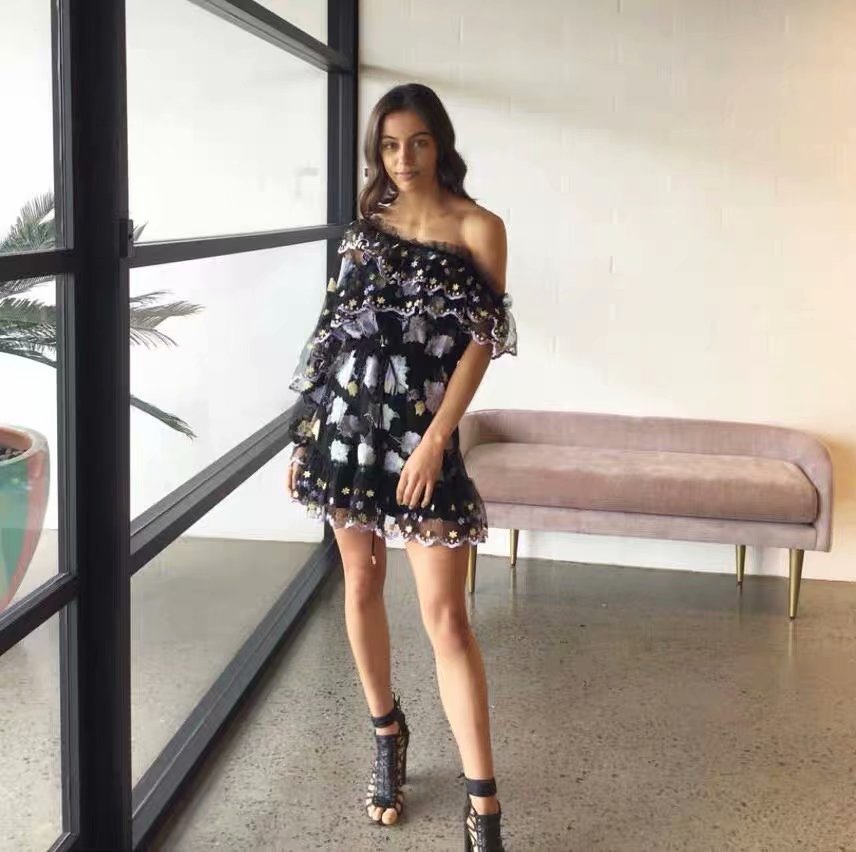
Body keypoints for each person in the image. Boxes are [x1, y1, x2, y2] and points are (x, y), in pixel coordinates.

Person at [284, 82, 517, 851]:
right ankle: (387, 733)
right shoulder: (366, 228)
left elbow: (480, 342)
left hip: (422, 441)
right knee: (360, 582)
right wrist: (305, 434)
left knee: (447, 617)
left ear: (440, 142)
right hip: (348, 432)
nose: (403, 158)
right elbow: (333, 334)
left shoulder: (479, 227)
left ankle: (484, 803)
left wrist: (437, 439)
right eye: (388, 145)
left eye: (417, 141)